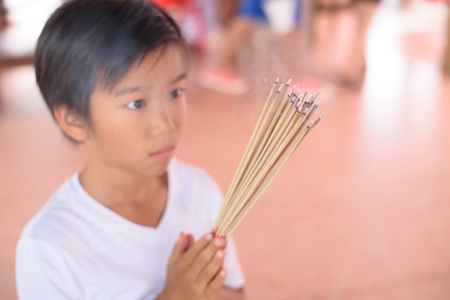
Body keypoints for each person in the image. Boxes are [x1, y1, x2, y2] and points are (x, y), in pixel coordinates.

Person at [15, 0, 245, 299]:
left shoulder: (200, 191)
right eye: (137, 103)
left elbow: (236, 291)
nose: (166, 124)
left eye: (175, 92)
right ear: (73, 119)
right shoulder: (50, 247)